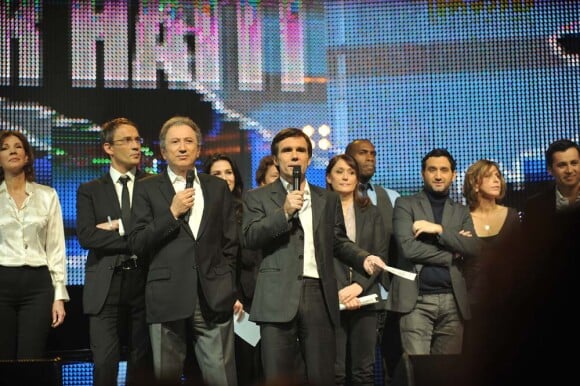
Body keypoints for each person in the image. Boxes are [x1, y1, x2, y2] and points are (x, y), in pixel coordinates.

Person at [242, 127, 387, 385]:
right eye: (287, 151)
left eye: (301, 150)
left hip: (319, 292)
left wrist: (363, 258)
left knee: (323, 375)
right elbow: (250, 237)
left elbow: (339, 242)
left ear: (309, 158)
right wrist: (284, 213)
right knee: (278, 376)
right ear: (276, 159)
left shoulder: (326, 199)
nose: (295, 156)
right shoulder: (258, 197)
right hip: (277, 294)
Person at [128, 116, 238, 386]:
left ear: (199, 149)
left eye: (189, 141)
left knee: (221, 377)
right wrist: (172, 213)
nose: (182, 147)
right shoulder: (145, 188)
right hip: (167, 295)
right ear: (163, 151)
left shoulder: (217, 187)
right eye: (175, 142)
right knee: (166, 374)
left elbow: (230, 243)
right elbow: (137, 242)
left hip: (212, 295)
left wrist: (227, 283)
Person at [76, 118, 152, 386]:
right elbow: (87, 236)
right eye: (127, 141)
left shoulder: (155, 185)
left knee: (141, 362)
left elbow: (158, 230)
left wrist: (118, 227)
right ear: (109, 148)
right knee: (104, 364)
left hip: (144, 283)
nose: (136, 146)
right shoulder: (90, 191)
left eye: (138, 140)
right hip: (105, 284)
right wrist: (137, 235)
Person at [387, 148, 479, 355]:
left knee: (446, 374)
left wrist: (438, 230)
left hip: (453, 301)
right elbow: (408, 248)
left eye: (444, 170)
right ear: (423, 173)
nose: (438, 175)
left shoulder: (461, 210)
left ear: (453, 175)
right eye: (432, 170)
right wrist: (452, 253)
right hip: (415, 300)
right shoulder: (405, 204)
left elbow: (473, 247)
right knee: (417, 372)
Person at [0, 130, 69, 360]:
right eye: (5, 147)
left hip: (38, 287)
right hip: (2, 282)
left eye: (18, 146)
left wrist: (58, 295)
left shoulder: (48, 196)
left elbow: (56, 248)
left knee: (32, 360)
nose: (12, 150)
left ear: (27, 156)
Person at [326, 154, 387, 386]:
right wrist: (341, 291)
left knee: (364, 372)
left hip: (367, 298)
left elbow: (379, 255)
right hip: (333, 298)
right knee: (336, 372)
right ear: (329, 177)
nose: (346, 177)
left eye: (351, 172)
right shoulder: (320, 210)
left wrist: (358, 287)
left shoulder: (371, 212)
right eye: (340, 171)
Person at [202, 153, 263, 386]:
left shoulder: (249, 208)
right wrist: (229, 292)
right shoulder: (201, 213)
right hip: (219, 297)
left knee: (254, 362)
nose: (224, 178)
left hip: (251, 297)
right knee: (227, 365)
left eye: (228, 172)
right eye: (216, 173)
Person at [345, 139, 401, 384]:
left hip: (383, 295)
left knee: (386, 366)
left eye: (373, 154)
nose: (370, 158)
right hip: (345, 293)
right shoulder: (329, 200)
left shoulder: (390, 197)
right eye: (363, 153)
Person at [461, 159, 520, 351]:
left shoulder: (512, 215)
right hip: (472, 301)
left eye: (498, 175)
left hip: (505, 301)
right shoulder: (462, 218)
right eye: (489, 176)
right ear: (475, 184)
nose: (497, 180)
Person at [524, 139, 580, 228]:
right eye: (562, 165)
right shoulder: (534, 207)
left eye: (574, 163)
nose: (569, 170)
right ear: (550, 170)